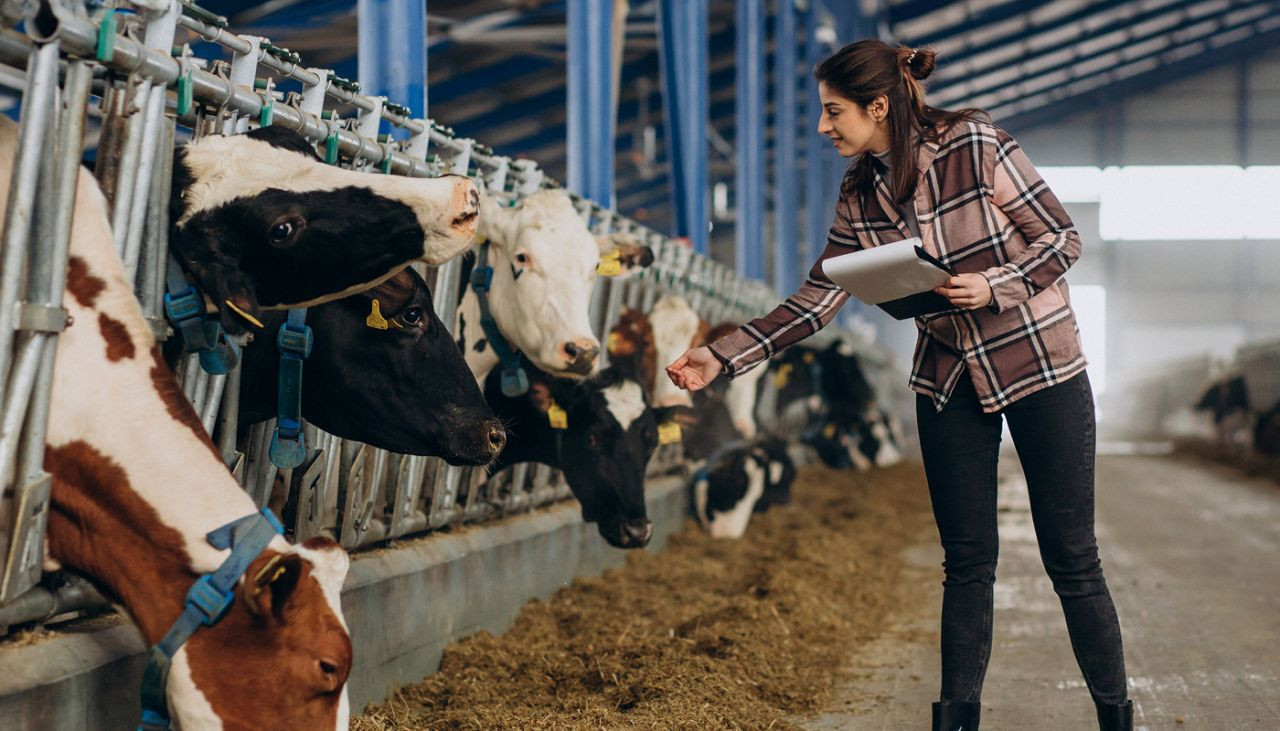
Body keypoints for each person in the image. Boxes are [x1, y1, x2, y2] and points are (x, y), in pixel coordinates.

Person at [664, 39, 1132, 731]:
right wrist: (722, 356)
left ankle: (1117, 717)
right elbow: (818, 298)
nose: (824, 127)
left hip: (1038, 361)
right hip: (947, 378)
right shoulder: (859, 191)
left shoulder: (976, 143)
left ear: (877, 106)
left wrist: (994, 284)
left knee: (1072, 557)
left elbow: (1061, 239)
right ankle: (954, 722)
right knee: (967, 562)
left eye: (833, 112)